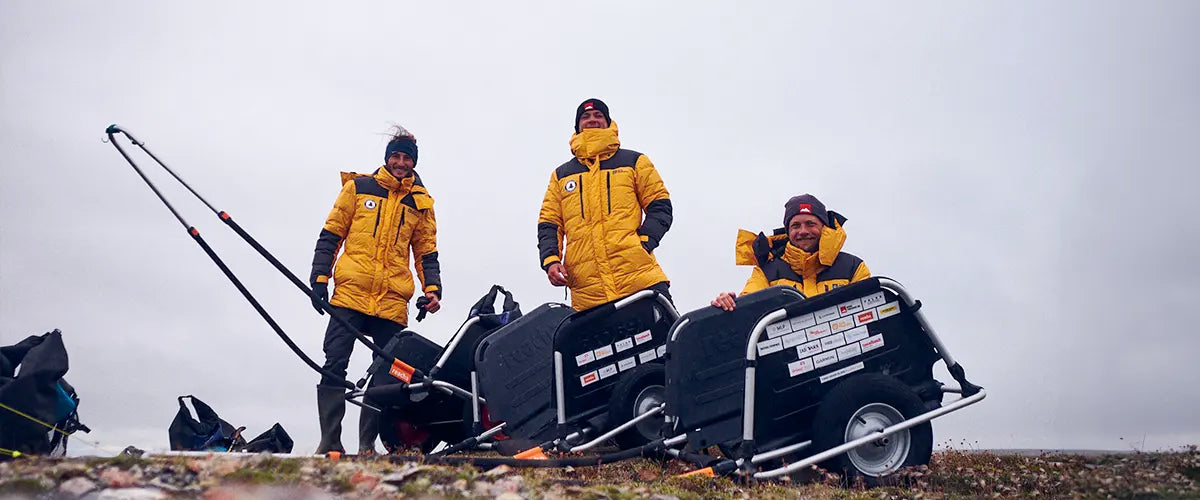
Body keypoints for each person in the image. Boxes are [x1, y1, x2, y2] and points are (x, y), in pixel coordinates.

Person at [309, 126, 442, 455]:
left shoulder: (421, 203)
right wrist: (319, 278)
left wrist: (433, 290)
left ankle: (367, 444)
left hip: (392, 300)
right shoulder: (358, 188)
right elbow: (331, 235)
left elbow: (426, 252)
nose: (400, 162)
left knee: (387, 374)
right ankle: (329, 441)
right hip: (350, 294)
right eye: (395, 156)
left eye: (406, 158)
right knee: (334, 362)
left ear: (414, 163)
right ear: (386, 159)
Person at [537, 98, 674, 310]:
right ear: (577, 126)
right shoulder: (561, 176)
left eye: (598, 115)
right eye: (586, 116)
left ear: (608, 122)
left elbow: (660, 205)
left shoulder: (635, 162)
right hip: (587, 294)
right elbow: (549, 223)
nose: (592, 120)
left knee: (669, 339)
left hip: (639, 280)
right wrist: (551, 260)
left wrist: (643, 243)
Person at [712, 194, 870, 311]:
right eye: (796, 226)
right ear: (788, 231)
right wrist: (727, 303)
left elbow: (871, 309)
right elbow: (747, 308)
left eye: (810, 224)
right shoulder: (766, 272)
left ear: (824, 228)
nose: (803, 231)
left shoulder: (854, 268)